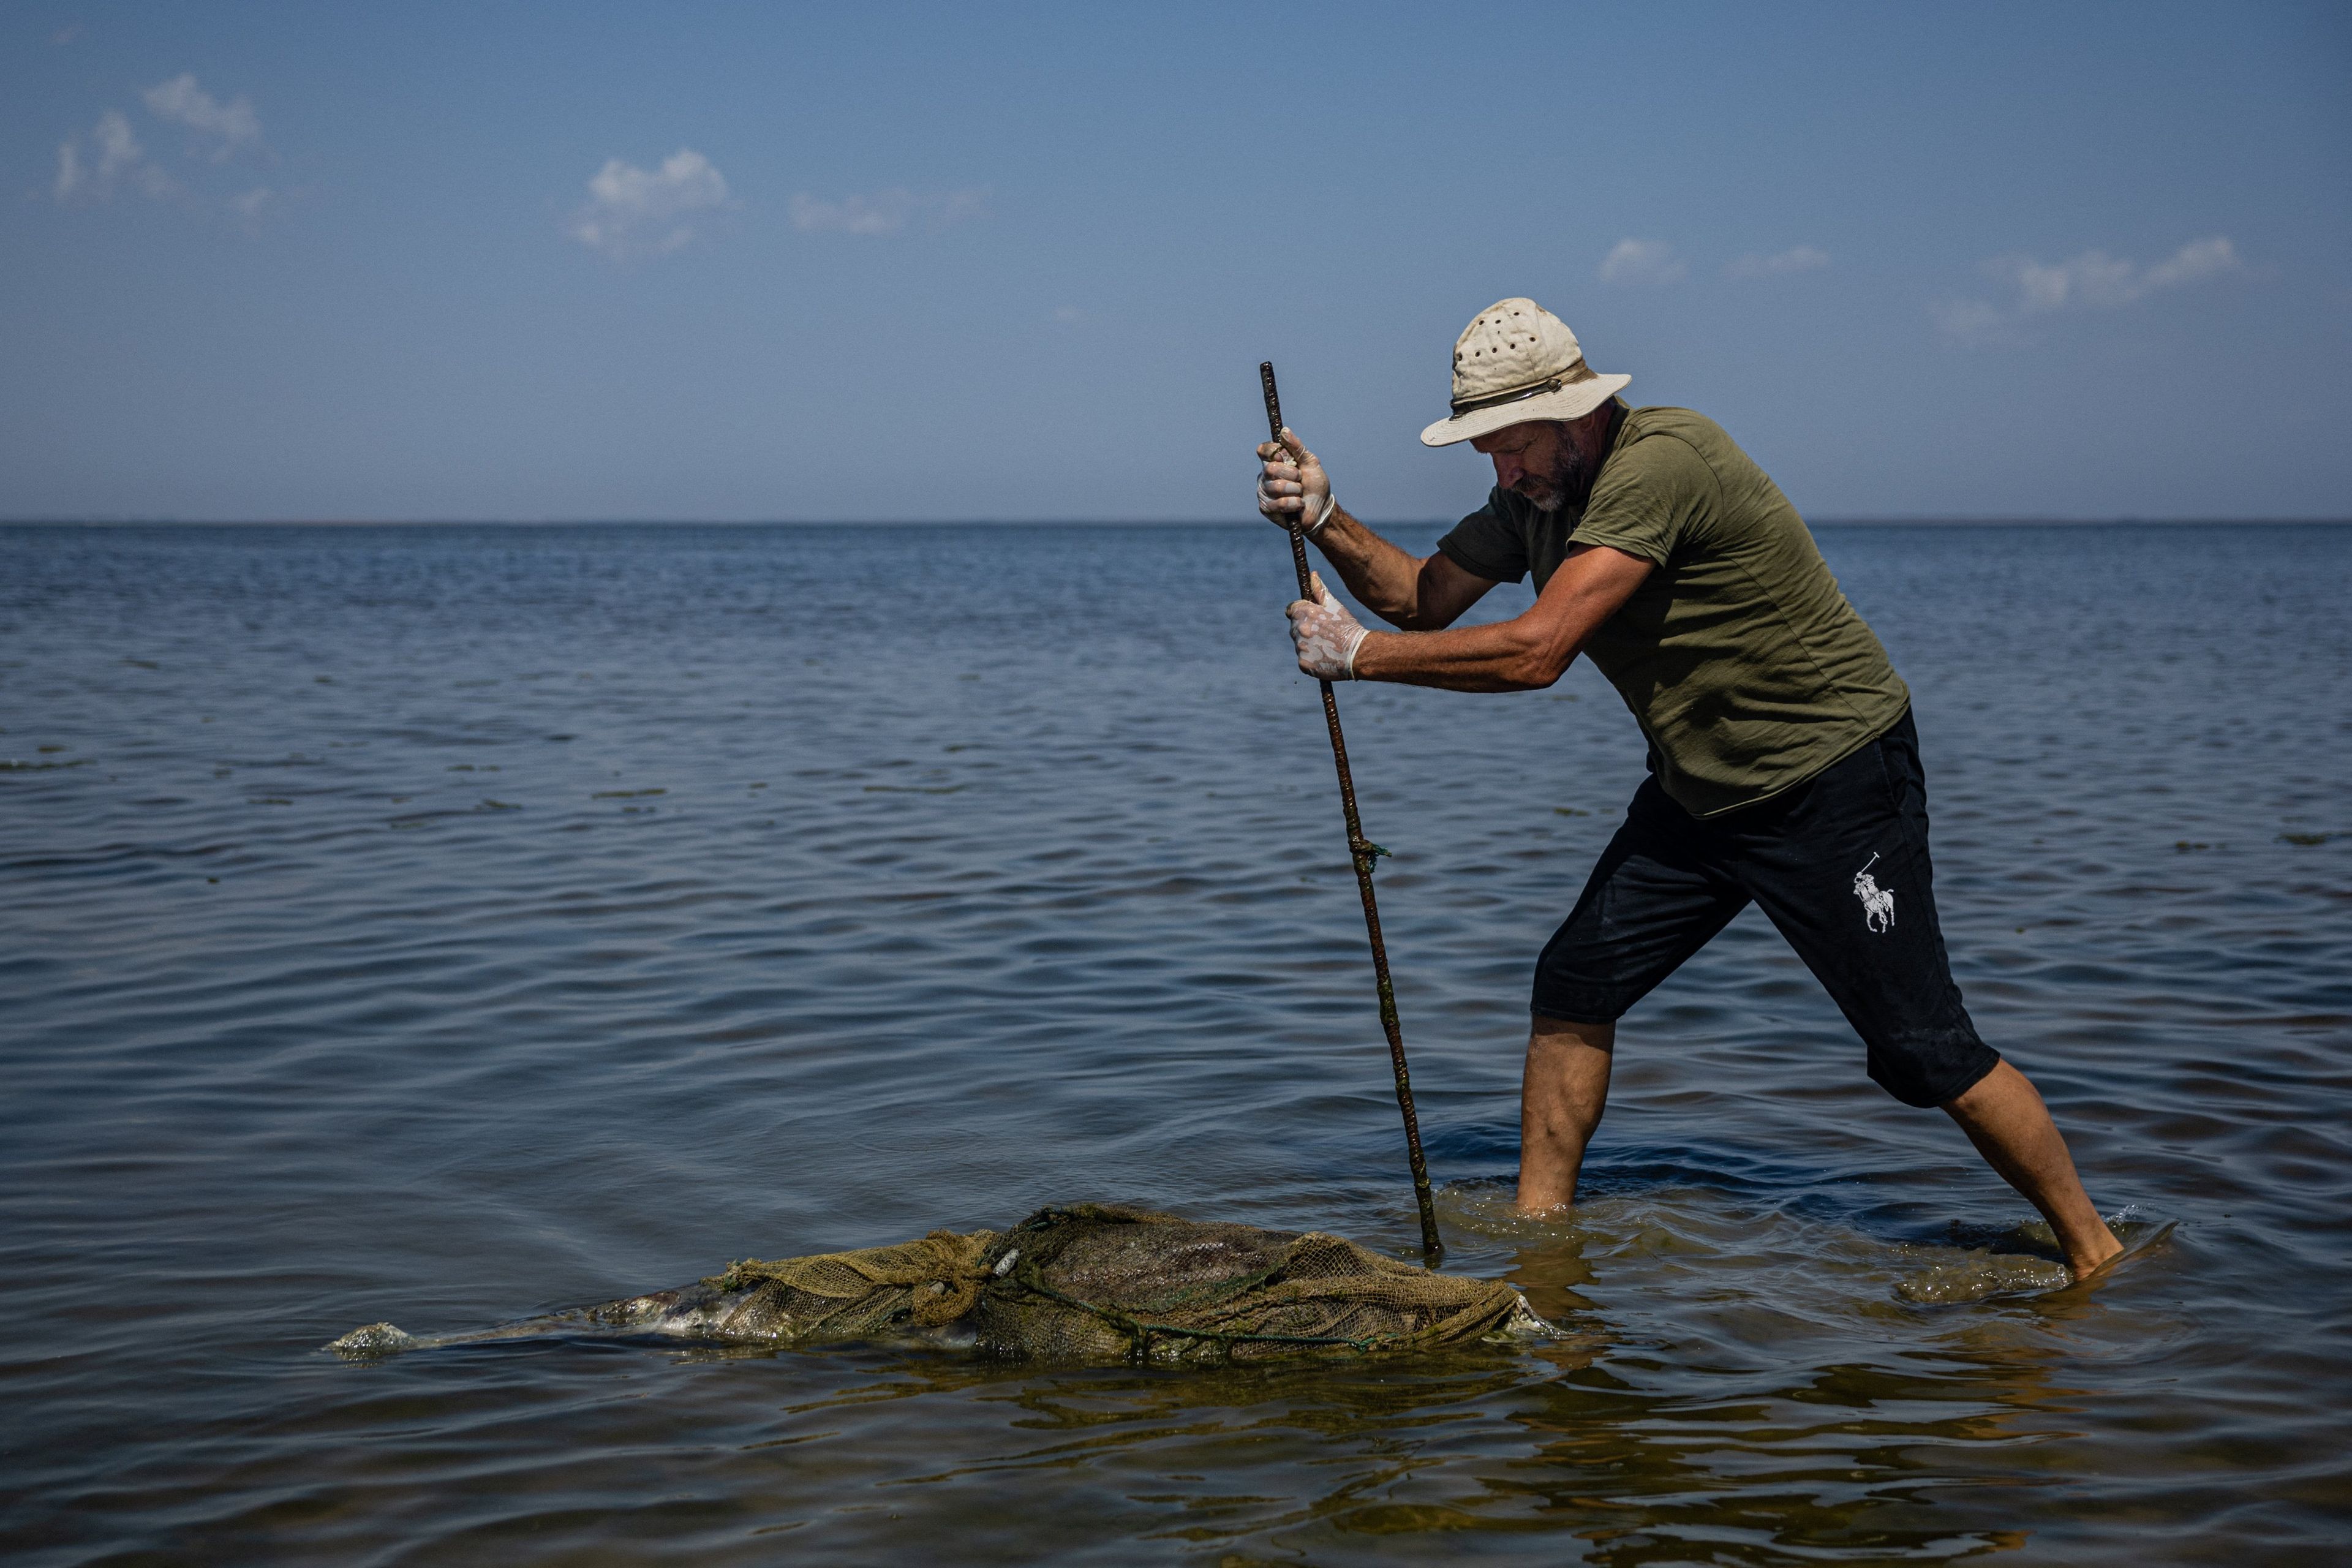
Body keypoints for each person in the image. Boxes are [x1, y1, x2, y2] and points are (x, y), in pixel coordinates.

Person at [1256, 297, 2123, 1280]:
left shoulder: (1662, 463)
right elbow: (1420, 597)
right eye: (1488, 453)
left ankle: (2097, 1258)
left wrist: (1360, 658)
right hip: (1697, 793)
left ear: (1577, 413)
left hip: (1829, 779)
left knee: (1923, 1049)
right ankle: (1542, 1254)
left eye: (1515, 447)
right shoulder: (1532, 497)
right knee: (1575, 982)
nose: (1504, 473)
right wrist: (1325, 516)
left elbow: (1539, 651)